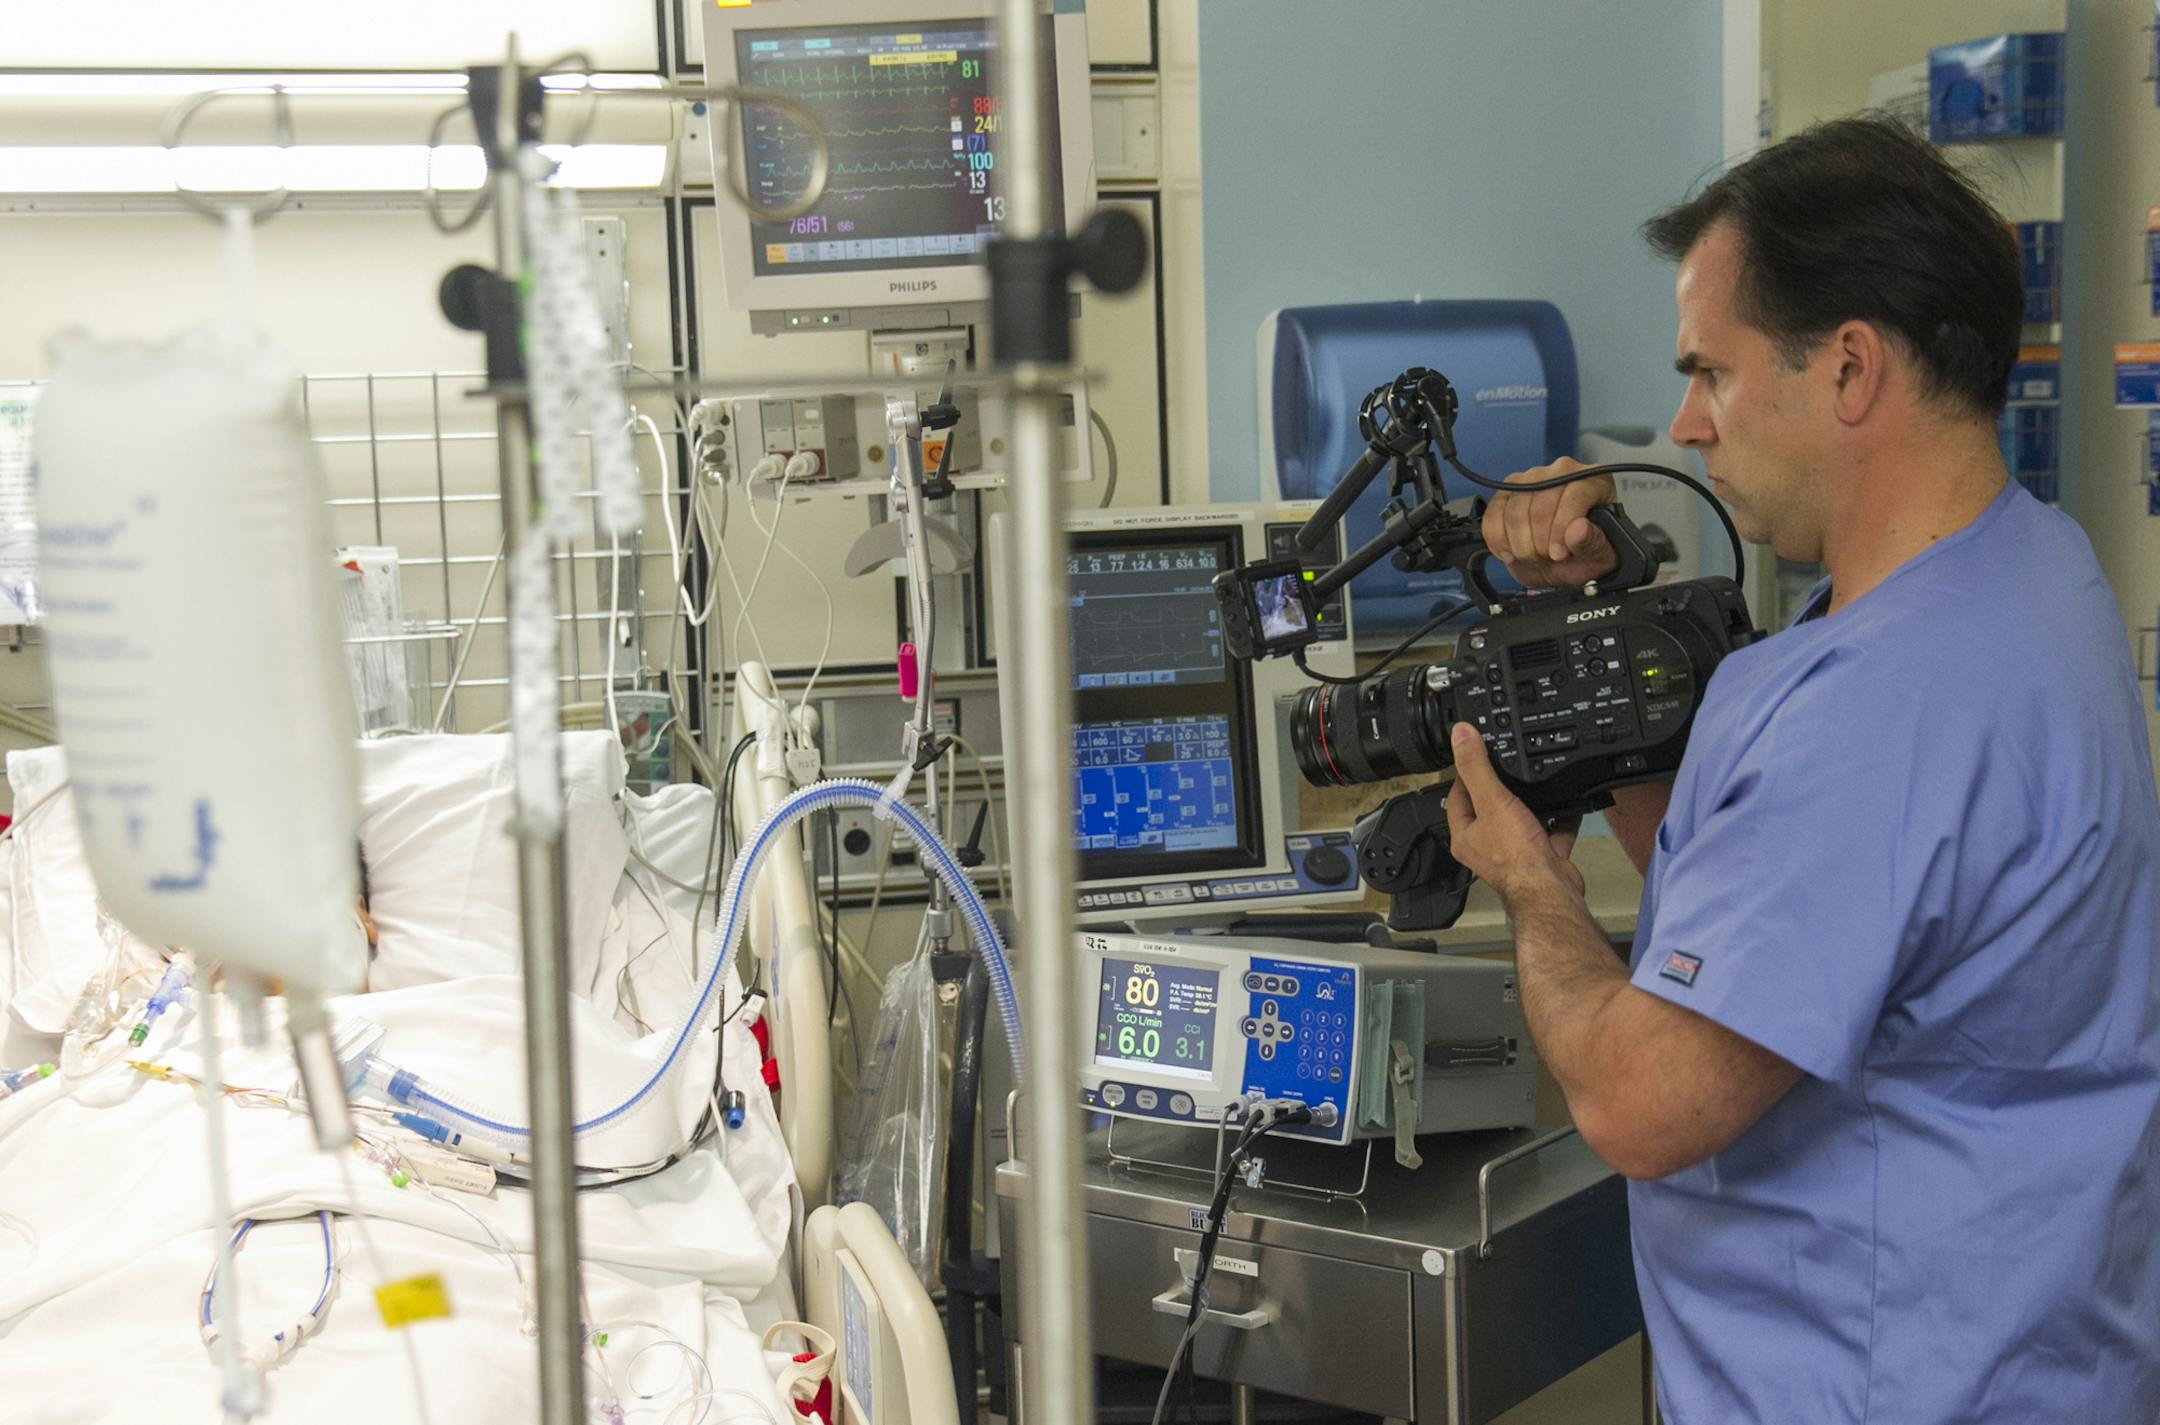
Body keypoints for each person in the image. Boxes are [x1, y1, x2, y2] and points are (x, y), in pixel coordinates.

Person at [1444, 116, 2160, 1423]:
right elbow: (1778, 915)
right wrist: (1604, 642)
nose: (1684, 423)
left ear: (1846, 370)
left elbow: (1639, 1099)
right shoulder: (2027, 575)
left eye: (1709, 373)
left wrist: (1528, 883)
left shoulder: (1890, 700)